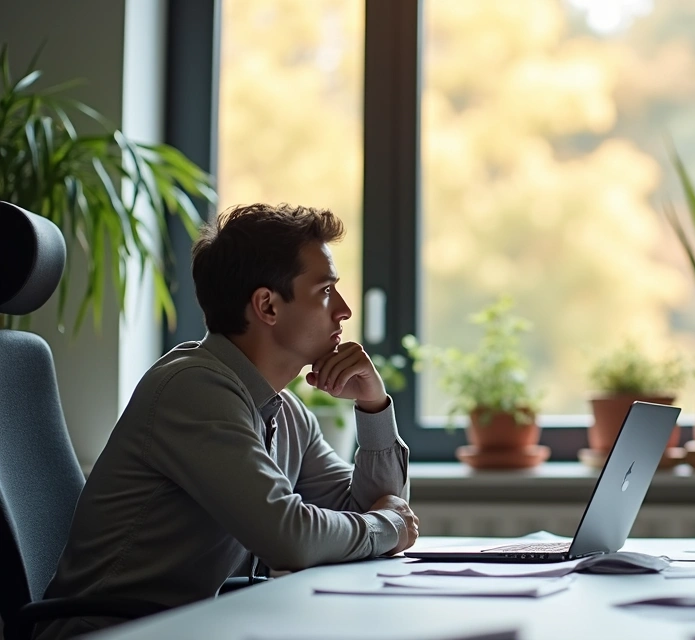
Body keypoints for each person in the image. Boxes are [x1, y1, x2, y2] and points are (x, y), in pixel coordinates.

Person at [35, 204, 418, 639]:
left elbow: (373, 509)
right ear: (267, 306)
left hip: (191, 627)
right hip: (109, 632)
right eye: (326, 291)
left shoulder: (284, 410)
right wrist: (385, 526)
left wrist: (373, 405)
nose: (345, 311)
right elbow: (291, 535)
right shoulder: (193, 389)